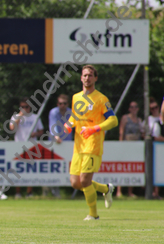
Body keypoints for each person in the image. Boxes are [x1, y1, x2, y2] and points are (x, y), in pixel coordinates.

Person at [64, 65, 118, 221]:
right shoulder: (76, 97)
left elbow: (113, 120)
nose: (87, 78)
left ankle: (93, 215)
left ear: (95, 78)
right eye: (84, 75)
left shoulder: (101, 99)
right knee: (75, 183)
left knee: (85, 180)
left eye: (90, 75)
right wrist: (69, 124)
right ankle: (105, 189)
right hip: (78, 146)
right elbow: (74, 117)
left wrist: (95, 128)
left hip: (93, 145)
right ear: (81, 78)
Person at [9, 97, 44, 198]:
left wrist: (35, 134)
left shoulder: (35, 117)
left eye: (26, 107)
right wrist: (19, 117)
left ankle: (29, 192)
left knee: (30, 170)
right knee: (17, 170)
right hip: (18, 146)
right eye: (22, 107)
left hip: (31, 147)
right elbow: (12, 128)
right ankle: (18, 192)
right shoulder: (16, 116)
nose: (24, 108)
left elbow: (41, 131)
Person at [116, 101, 144, 198]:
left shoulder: (139, 120)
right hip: (126, 144)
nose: (133, 108)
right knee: (122, 167)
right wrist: (121, 145)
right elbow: (121, 131)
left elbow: (141, 133)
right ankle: (119, 191)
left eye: (135, 106)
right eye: (132, 107)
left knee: (132, 168)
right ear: (129, 108)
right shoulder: (125, 118)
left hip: (135, 146)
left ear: (138, 108)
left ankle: (130, 192)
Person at [48, 94, 73, 198]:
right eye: (60, 103)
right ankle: (54, 188)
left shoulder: (71, 112)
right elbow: (52, 125)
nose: (62, 105)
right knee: (55, 166)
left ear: (67, 104)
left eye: (64, 103)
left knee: (68, 166)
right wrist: (57, 136)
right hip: (55, 143)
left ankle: (71, 189)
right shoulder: (54, 112)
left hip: (68, 143)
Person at [148, 97, 162, 199]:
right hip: (153, 146)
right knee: (155, 168)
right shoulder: (149, 119)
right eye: (152, 108)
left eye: (156, 107)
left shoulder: (162, 119)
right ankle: (153, 192)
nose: (155, 109)